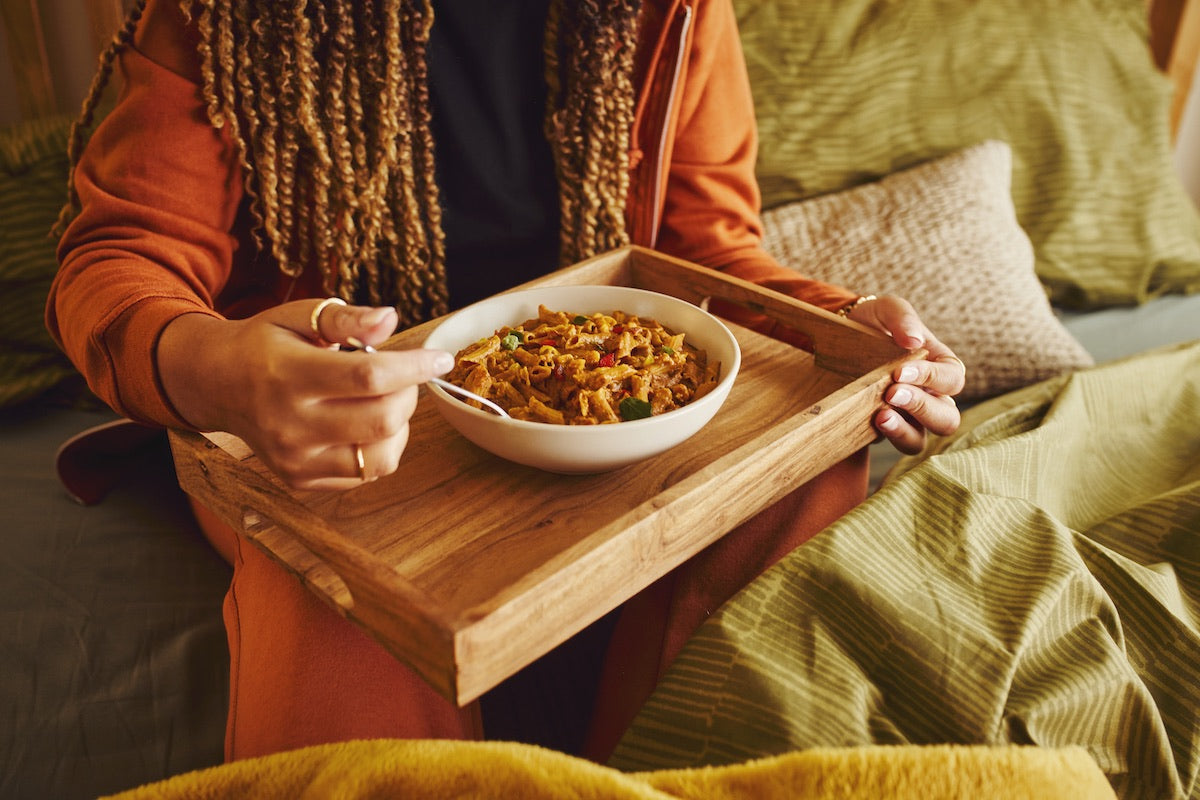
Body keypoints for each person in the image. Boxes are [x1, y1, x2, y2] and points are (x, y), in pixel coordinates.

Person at [47, 0, 964, 765]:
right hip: (329, 418)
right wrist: (215, 369)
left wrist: (843, 327)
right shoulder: (224, 15)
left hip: (601, 409)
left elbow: (707, 249)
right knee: (336, 578)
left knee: (809, 468)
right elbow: (121, 255)